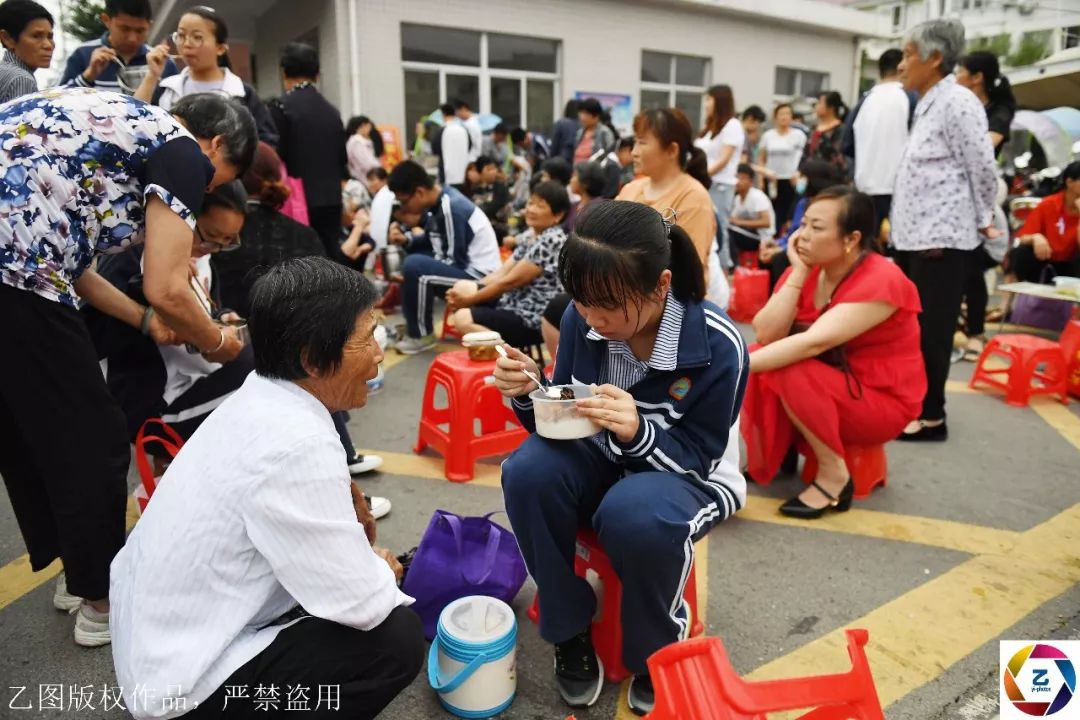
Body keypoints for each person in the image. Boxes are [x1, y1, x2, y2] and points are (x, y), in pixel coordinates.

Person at [110, 257, 423, 720]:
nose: (379, 353)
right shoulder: (297, 444)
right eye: (367, 336)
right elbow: (361, 603)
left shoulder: (263, 396)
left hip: (155, 642)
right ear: (312, 360)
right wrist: (382, 570)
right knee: (394, 639)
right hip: (181, 687)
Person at [0, 90, 256, 646]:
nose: (200, 193)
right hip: (17, 267)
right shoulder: (182, 149)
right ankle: (100, 601)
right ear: (215, 145)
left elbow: (79, 271)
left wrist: (145, 322)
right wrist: (217, 343)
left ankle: (77, 570)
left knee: (33, 432)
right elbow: (165, 286)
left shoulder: (113, 126)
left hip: (23, 264)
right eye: (212, 185)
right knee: (95, 438)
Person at [494, 200, 747, 716]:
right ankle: (568, 624)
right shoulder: (582, 318)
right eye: (582, 303)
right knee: (526, 472)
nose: (592, 319)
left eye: (606, 304)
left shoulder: (718, 345)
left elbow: (699, 460)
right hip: (601, 455)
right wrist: (529, 393)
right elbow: (565, 425)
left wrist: (637, 433)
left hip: (690, 475)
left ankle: (657, 650)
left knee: (633, 513)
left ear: (660, 285)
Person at [742, 187, 925, 516]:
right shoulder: (812, 267)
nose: (804, 236)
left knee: (782, 365)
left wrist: (728, 366)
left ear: (851, 239)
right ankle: (777, 451)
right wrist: (798, 272)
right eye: (804, 224)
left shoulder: (882, 279)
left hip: (881, 400)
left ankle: (834, 475)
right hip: (834, 382)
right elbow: (767, 332)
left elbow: (814, 343)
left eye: (818, 227)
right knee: (765, 352)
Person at [892, 18, 998, 442]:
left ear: (934, 59)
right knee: (917, 329)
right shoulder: (930, 101)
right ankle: (919, 405)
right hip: (917, 235)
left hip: (943, 237)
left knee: (934, 331)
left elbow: (983, 168)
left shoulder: (958, 102)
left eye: (907, 55)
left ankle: (932, 416)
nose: (901, 65)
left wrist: (984, 218)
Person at [388, 160, 501, 354]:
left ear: (420, 192)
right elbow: (434, 243)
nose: (404, 208)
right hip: (466, 271)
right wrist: (406, 241)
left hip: (481, 282)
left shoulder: (452, 208)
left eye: (404, 201)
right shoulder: (440, 203)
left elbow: (454, 259)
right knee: (414, 263)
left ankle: (421, 335)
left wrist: (414, 273)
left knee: (414, 266)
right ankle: (414, 327)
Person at [618, 108, 726, 308]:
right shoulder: (630, 190)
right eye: (635, 142)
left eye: (642, 142)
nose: (634, 152)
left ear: (672, 150)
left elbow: (686, 268)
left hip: (668, 304)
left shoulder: (693, 197)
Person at [447, 181, 570, 347]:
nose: (531, 209)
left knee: (462, 318)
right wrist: (469, 292)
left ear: (558, 215)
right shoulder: (530, 235)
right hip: (512, 303)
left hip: (531, 317)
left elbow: (509, 282)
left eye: (540, 206)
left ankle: (509, 359)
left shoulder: (553, 240)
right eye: (530, 202)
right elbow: (501, 273)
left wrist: (470, 300)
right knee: (463, 286)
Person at [135, 5, 278, 146]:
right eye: (181, 35)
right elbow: (133, 122)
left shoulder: (242, 93)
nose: (186, 44)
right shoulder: (166, 89)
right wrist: (152, 75)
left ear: (220, 48)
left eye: (197, 37)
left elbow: (267, 142)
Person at [955, 50, 1018, 359]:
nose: (955, 76)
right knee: (952, 264)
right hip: (952, 190)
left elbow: (985, 145)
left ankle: (976, 333)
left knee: (971, 266)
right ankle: (958, 325)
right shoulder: (955, 100)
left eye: (960, 71)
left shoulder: (1000, 109)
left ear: (977, 78)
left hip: (982, 189)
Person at [269, 41, 348, 261]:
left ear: (283, 72)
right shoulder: (332, 112)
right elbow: (342, 161)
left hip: (297, 203)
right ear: (318, 75)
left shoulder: (280, 107)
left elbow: (275, 158)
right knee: (329, 261)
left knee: (301, 266)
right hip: (332, 200)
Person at [847, 48, 912, 227]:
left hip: (864, 187)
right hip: (899, 189)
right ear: (902, 67)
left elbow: (847, 145)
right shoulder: (910, 97)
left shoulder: (864, 100)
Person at [60, 0, 178, 95]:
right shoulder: (83, 54)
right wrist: (88, 76)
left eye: (140, 30)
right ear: (106, 20)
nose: (132, 38)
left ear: (149, 25)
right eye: (124, 29)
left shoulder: (162, 63)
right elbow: (57, 101)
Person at [1005, 160, 1080, 283]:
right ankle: (1011, 298)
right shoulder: (1048, 204)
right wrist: (1036, 237)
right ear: (1069, 182)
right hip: (1045, 259)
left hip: (1071, 266)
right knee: (1020, 252)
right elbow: (1024, 236)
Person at [695, 84, 744, 267]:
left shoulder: (733, 125)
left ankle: (723, 274)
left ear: (720, 101)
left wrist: (701, 175)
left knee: (719, 229)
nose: (706, 104)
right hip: (706, 183)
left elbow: (723, 160)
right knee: (705, 228)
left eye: (709, 99)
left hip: (720, 185)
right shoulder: (709, 128)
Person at [759, 104, 807, 233]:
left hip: (790, 178)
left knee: (789, 211)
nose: (784, 117)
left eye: (787, 114)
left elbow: (802, 157)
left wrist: (798, 173)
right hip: (772, 179)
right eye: (781, 114)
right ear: (775, 117)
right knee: (773, 211)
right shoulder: (768, 135)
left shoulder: (798, 135)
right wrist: (761, 177)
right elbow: (762, 158)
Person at [0, 0, 52, 104]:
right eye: (36, 36)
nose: (48, 45)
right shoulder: (21, 80)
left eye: (50, 37)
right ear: (7, 38)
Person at [728, 163, 776, 265]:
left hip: (762, 238)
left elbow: (766, 222)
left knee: (729, 232)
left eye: (742, 178)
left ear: (750, 182)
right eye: (736, 178)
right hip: (749, 234)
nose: (738, 182)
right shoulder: (737, 199)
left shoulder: (757, 196)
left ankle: (733, 264)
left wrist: (739, 222)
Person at [806, 91, 848, 177]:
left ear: (831, 107)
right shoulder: (813, 128)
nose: (816, 106)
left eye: (819, 103)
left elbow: (838, 155)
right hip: (810, 175)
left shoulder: (840, 129)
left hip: (830, 177)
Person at [472, 155, 511, 239]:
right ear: (480, 172)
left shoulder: (501, 188)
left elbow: (494, 208)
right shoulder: (474, 190)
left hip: (499, 230)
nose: (493, 172)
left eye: (494, 168)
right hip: (479, 231)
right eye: (489, 169)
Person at [435, 102, 470, 190]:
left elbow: (435, 149)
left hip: (446, 174)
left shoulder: (442, 130)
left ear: (444, 114)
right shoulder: (464, 129)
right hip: (462, 173)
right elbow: (470, 146)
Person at [567, 159, 608, 229]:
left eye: (574, 176)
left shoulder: (599, 208)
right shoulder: (574, 205)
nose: (571, 180)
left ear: (586, 182)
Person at [574, 97, 616, 165]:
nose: (582, 117)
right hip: (577, 171)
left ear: (596, 116)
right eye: (581, 113)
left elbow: (610, 155)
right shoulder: (579, 132)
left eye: (586, 114)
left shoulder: (605, 133)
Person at [551, 99, 581, 163]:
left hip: (562, 160)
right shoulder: (583, 124)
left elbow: (554, 145)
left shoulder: (561, 123)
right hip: (579, 160)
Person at [454, 97, 482, 162]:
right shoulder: (472, 122)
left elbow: (468, 144)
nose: (457, 115)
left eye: (457, 112)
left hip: (470, 159)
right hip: (471, 157)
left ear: (464, 109)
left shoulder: (470, 125)